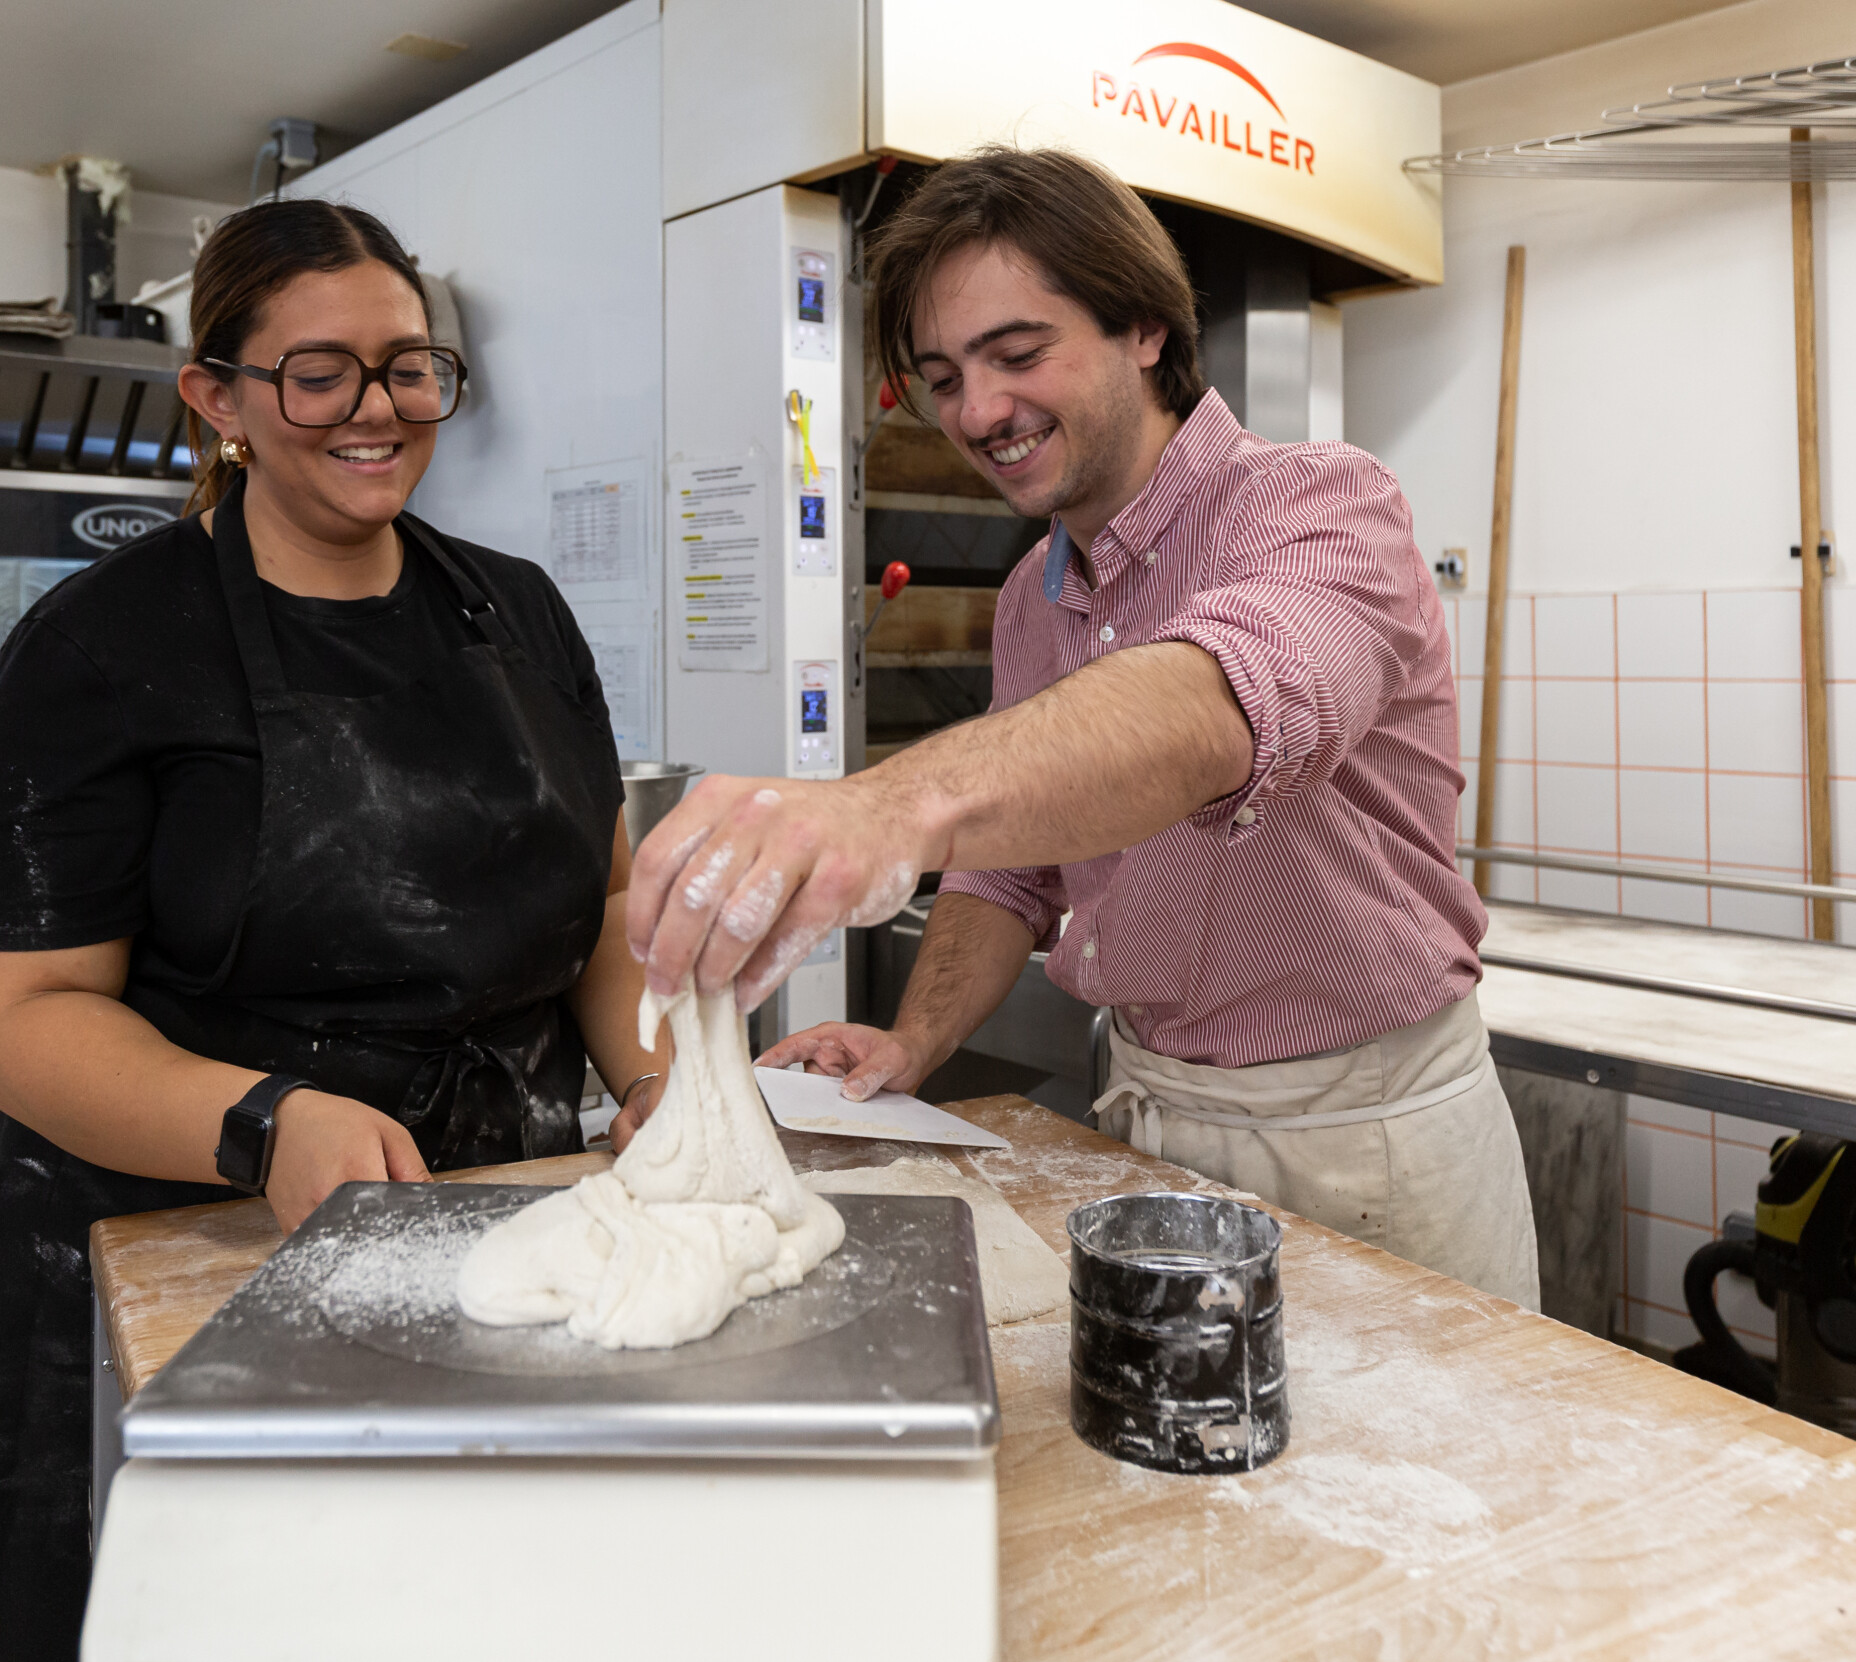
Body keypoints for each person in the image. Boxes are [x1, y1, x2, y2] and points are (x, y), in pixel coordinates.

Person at [0, 200, 666, 1662]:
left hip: (487, 1224)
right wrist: (264, 1121)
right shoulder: (100, 648)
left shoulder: (513, 613)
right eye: (319, 372)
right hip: (170, 1239)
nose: (376, 409)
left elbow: (611, 900)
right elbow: (19, 1016)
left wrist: (652, 1080)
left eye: (408, 365)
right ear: (220, 398)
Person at [618, 147, 1539, 1312]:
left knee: (1411, 1485)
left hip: (1359, 1138)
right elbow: (1008, 873)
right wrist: (913, 1042)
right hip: (1150, 1117)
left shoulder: (1317, 500)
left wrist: (883, 803)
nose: (979, 412)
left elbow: (1214, 707)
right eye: (943, 377)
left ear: (1144, 325)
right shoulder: (1031, 599)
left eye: (1017, 353)